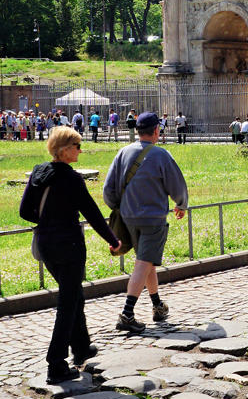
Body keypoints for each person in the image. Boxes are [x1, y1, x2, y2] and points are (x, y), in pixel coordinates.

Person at [19, 126, 121, 382]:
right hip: (70, 247)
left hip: (46, 245)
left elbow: (24, 211)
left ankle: (81, 346)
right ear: (64, 150)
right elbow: (92, 213)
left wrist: (47, 220)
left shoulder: (38, 173)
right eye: (76, 146)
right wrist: (113, 240)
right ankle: (56, 363)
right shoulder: (72, 179)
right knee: (67, 302)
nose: (80, 150)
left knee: (75, 294)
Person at [103, 111, 188, 333]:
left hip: (129, 218)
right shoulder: (161, 155)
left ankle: (157, 305)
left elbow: (108, 190)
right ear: (157, 131)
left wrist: (120, 208)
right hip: (152, 219)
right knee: (143, 263)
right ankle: (127, 313)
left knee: (146, 259)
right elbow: (176, 184)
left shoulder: (122, 152)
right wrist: (181, 204)